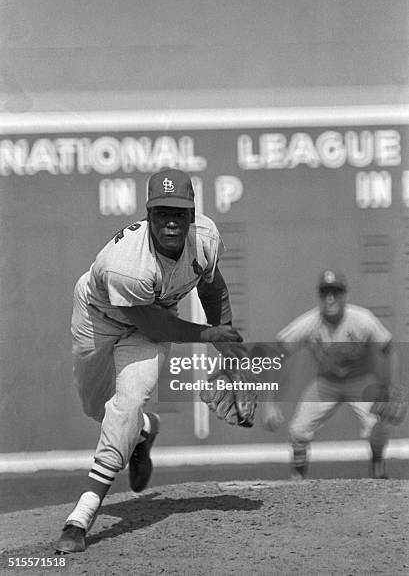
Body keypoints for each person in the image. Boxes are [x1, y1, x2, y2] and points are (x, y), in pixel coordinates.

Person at [55, 168, 245, 553]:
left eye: (179, 212)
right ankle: (143, 430)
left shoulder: (204, 238)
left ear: (192, 214)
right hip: (98, 318)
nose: (171, 221)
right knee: (97, 408)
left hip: (147, 331)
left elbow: (213, 287)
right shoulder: (126, 263)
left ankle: (81, 516)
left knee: (125, 405)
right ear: (148, 215)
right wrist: (208, 335)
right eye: (162, 213)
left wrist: (225, 340)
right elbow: (154, 322)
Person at [262, 270, 397, 481]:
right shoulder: (310, 322)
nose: (330, 298)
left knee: (377, 427)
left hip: (360, 380)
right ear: (319, 296)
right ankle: (297, 480)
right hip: (327, 384)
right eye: (326, 293)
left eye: (336, 292)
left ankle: (377, 468)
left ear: (345, 295)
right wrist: (270, 402)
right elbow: (278, 353)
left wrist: (386, 388)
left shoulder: (362, 320)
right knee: (298, 430)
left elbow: (387, 348)